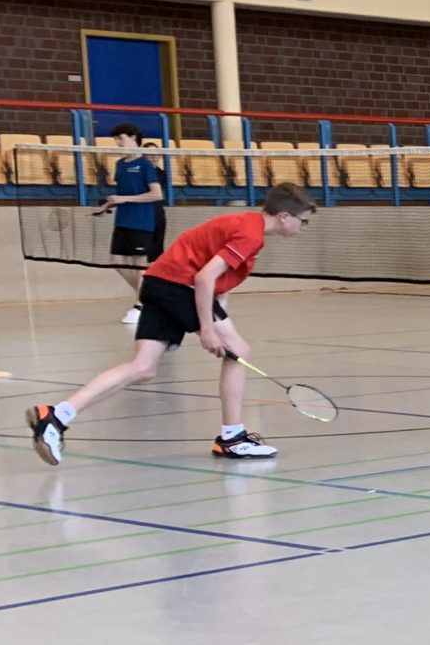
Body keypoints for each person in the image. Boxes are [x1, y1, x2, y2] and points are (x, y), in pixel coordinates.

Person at [27, 183, 317, 465]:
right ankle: (233, 438)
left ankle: (56, 416)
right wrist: (207, 330)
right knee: (239, 350)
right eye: (303, 221)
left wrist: (218, 322)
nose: (303, 227)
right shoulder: (250, 235)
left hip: (159, 282)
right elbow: (204, 278)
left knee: (143, 367)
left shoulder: (247, 225)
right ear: (284, 216)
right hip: (178, 285)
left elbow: (219, 284)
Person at [93, 124, 167, 326]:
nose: (118, 143)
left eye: (121, 138)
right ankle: (150, 296)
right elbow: (122, 193)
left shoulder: (145, 165)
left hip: (142, 220)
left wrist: (124, 199)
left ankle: (140, 306)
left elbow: (156, 194)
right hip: (122, 219)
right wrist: (107, 205)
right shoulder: (120, 164)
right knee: (116, 260)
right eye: (116, 139)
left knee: (139, 264)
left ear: (133, 138)